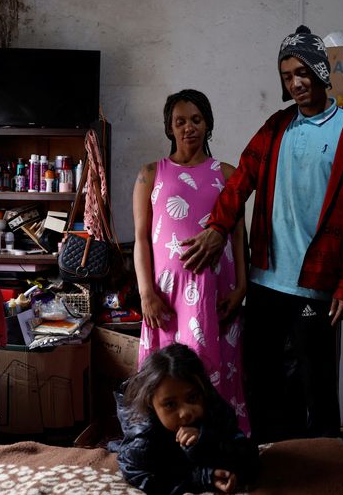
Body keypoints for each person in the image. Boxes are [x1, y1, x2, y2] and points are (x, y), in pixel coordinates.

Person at [180, 26, 343, 443]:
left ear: (321, 71)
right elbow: (241, 182)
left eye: (303, 72)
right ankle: (272, 465)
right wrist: (218, 226)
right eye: (287, 75)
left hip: (317, 285)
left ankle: (326, 471)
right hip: (266, 280)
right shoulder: (276, 127)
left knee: (316, 388)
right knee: (265, 383)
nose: (297, 82)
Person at [132, 89, 249, 434]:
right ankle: (162, 450)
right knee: (165, 376)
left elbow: (240, 236)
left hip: (217, 294)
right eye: (180, 121)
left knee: (214, 372)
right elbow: (140, 238)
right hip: (167, 300)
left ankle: (219, 447)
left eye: (196, 120)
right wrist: (145, 293)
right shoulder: (150, 173)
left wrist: (242, 287)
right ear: (169, 128)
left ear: (208, 124)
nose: (189, 128)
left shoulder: (226, 173)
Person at [112, 343, 259, 495]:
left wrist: (205, 440)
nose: (185, 413)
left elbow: (248, 457)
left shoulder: (211, 404)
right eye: (170, 404)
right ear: (151, 402)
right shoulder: (143, 437)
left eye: (192, 397)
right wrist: (202, 477)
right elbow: (140, 473)